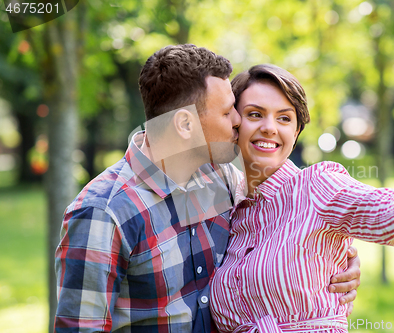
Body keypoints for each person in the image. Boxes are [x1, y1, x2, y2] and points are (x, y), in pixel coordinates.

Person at [53, 44, 361, 333]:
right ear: (185, 125)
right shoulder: (104, 213)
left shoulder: (221, 178)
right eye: (227, 112)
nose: (239, 120)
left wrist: (340, 257)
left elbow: (282, 229)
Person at [209, 64, 394, 333]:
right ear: (235, 124)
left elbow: (390, 212)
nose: (270, 128)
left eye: (284, 118)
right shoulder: (227, 205)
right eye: (255, 114)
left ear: (296, 132)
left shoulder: (317, 186)